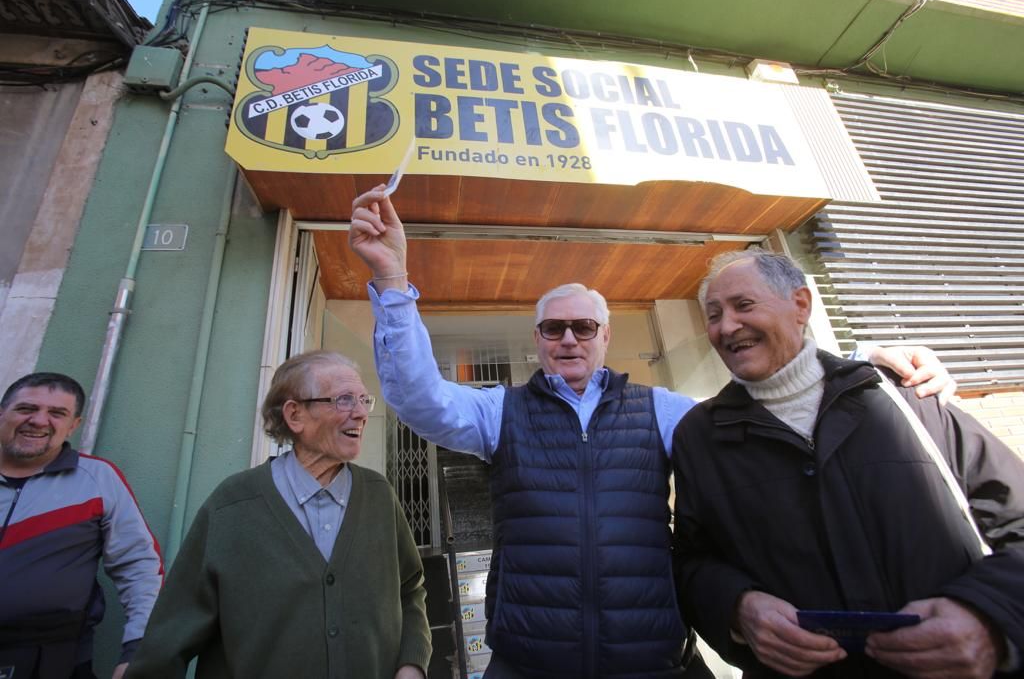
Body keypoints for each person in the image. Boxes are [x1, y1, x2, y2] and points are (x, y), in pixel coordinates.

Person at [348, 185, 955, 679]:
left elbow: (765, 407)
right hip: (530, 660)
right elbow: (418, 398)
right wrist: (394, 281)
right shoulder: (500, 411)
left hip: (651, 659)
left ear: (605, 336)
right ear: (536, 340)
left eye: (584, 327)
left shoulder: (661, 409)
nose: (568, 340)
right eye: (553, 328)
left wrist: (861, 362)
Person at [671, 249, 1024, 679]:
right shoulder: (699, 436)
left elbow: (1017, 523)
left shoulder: (907, 395)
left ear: (801, 304)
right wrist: (737, 608)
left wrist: (987, 616)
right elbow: (692, 561)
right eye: (713, 315)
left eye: (744, 306)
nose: (727, 326)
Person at [126, 351, 430, 679]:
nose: (359, 413)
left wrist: (412, 665)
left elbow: (411, 589)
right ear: (295, 415)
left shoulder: (379, 495)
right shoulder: (233, 505)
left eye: (362, 400)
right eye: (343, 400)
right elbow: (169, 636)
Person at [0, 372, 163, 679]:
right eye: (26, 409)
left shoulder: (97, 480)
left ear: (74, 425)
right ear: (2, 413)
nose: (38, 420)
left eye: (57, 413)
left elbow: (139, 568)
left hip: (52, 660)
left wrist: (137, 652)